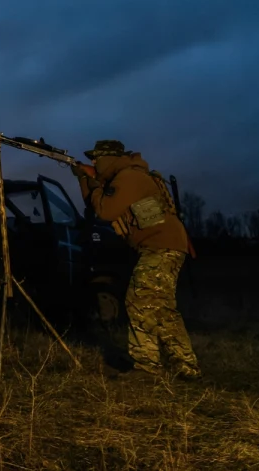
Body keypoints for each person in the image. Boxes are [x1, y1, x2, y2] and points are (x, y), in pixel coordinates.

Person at [75, 140, 200, 379]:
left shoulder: (130, 177)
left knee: (138, 300)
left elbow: (105, 210)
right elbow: (96, 207)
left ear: (109, 158)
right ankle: (185, 365)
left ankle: (147, 366)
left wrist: (89, 179)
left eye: (96, 158)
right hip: (162, 245)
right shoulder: (125, 177)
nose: (93, 163)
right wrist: (84, 179)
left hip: (161, 246)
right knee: (160, 307)